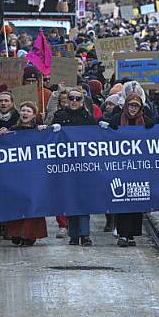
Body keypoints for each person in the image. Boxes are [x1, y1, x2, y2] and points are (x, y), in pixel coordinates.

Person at [103, 93, 153, 247]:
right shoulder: (117, 119)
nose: (133, 109)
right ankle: (123, 233)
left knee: (136, 200)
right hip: (121, 167)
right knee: (123, 200)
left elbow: (157, 133)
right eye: (131, 105)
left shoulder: (146, 121)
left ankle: (132, 235)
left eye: (136, 106)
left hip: (138, 169)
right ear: (125, 105)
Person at [52, 87, 97, 246]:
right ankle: (73, 234)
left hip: (84, 166)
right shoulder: (59, 116)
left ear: (82, 101)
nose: (74, 101)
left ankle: (85, 234)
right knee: (70, 199)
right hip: (65, 166)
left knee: (84, 200)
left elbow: (96, 140)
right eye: (71, 98)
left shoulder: (88, 118)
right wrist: (52, 130)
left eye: (78, 98)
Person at [2, 101, 48, 246]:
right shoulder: (13, 130)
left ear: (34, 115)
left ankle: (30, 234)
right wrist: (0, 134)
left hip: (34, 173)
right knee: (18, 201)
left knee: (33, 202)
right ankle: (16, 232)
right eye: (23, 110)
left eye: (28, 111)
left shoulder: (39, 131)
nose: (25, 113)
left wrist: (45, 131)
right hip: (17, 173)